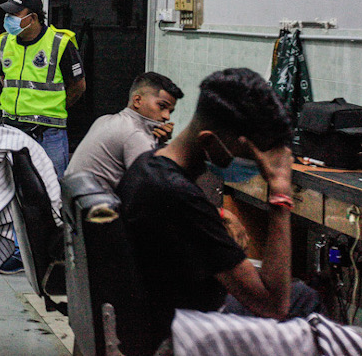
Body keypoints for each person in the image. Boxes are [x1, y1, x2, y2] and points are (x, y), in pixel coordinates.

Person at [117, 68, 320, 355]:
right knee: (302, 300)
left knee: (299, 293)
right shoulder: (178, 196)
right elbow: (273, 305)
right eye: (250, 158)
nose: (256, 169)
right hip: (183, 332)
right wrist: (279, 194)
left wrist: (220, 215)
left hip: (160, 312)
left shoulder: (148, 164)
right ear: (210, 141)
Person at [0, 0, 85, 273]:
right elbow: (3, 78)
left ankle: (58, 256)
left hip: (49, 134)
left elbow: (78, 86)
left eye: (15, 14)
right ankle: (21, 253)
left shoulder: (60, 43)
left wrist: (53, 108)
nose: (8, 19)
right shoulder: (4, 42)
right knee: (16, 193)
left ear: (32, 17)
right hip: (13, 131)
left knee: (53, 194)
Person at [65, 71, 183, 191]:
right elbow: (153, 186)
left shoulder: (104, 120)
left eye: (170, 111)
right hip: (97, 200)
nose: (166, 116)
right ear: (137, 100)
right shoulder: (135, 134)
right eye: (162, 106)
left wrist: (158, 142)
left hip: (75, 198)